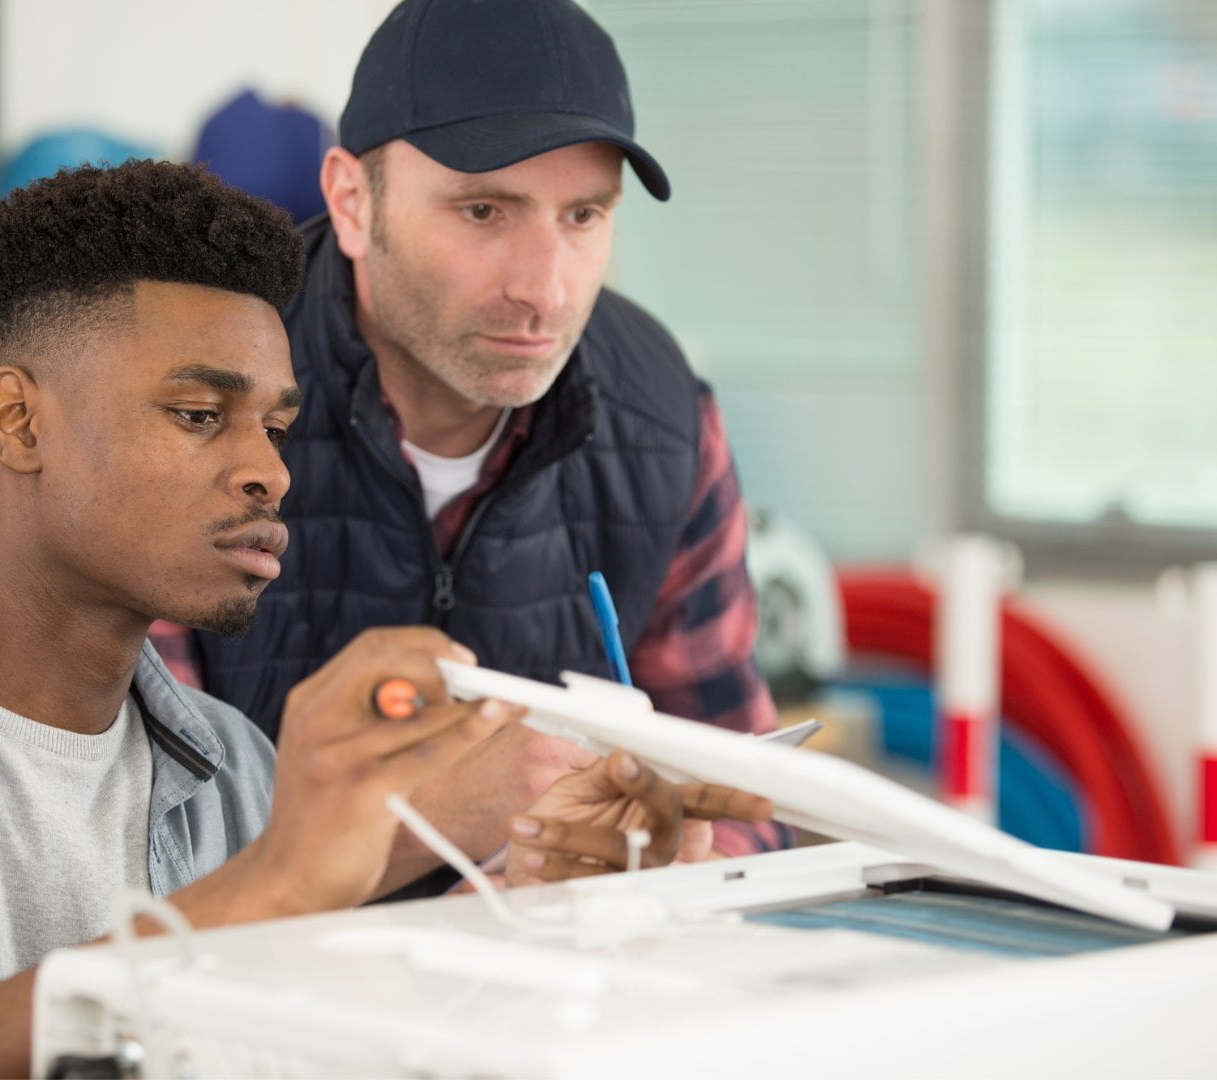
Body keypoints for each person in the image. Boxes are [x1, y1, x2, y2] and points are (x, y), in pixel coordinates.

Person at [0, 161, 771, 1078]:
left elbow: (302, 1043)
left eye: (278, 424)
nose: (269, 470)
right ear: (17, 420)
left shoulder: (233, 767)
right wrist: (268, 889)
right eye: (198, 416)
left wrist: (526, 914)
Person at [176, 0, 791, 898]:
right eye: (483, 210)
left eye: (583, 216)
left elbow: (746, 791)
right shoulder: (194, 407)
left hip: (552, 1001)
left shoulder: (663, 417)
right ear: (352, 202)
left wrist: (664, 871)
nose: (543, 289)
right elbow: (116, 871)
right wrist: (433, 832)